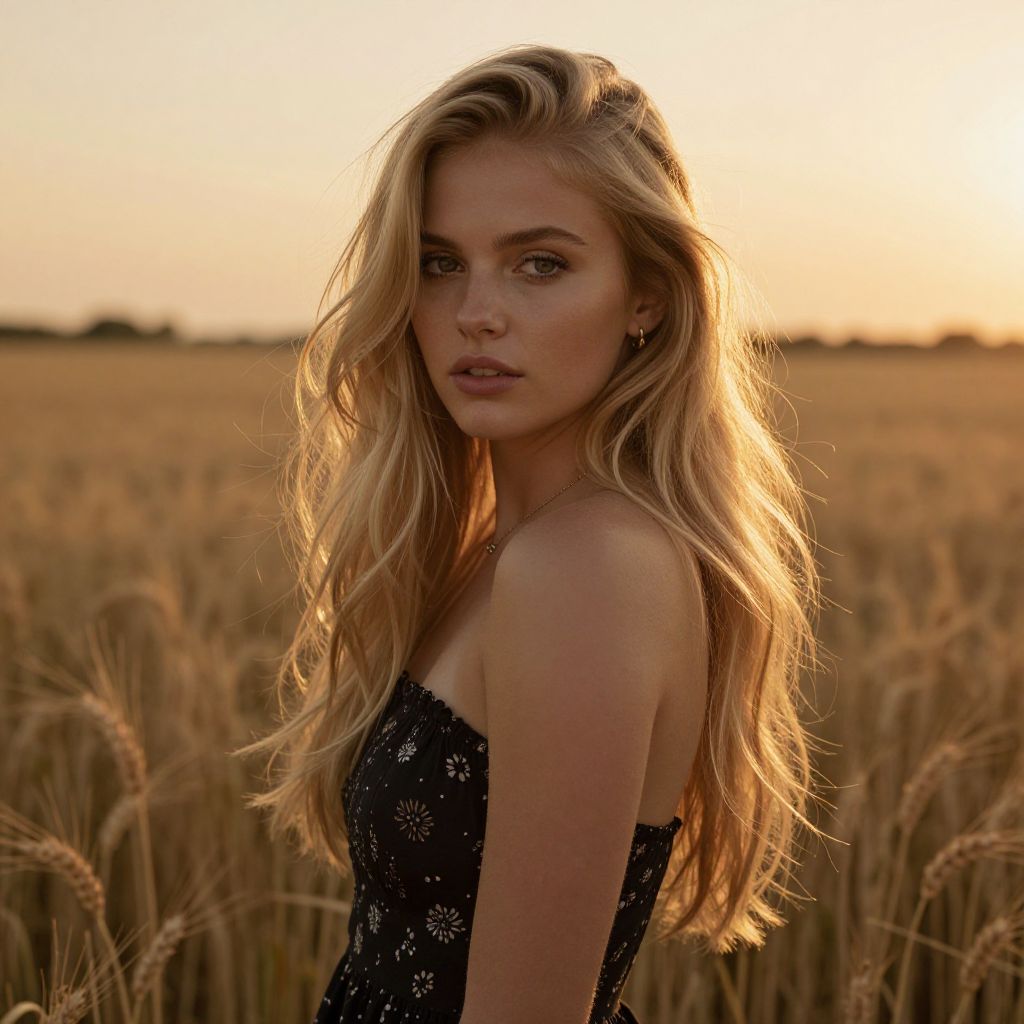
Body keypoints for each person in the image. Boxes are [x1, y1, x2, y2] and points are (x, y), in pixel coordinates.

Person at [235, 42, 826, 1024]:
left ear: (646, 296)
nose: (474, 314)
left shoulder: (584, 568)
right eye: (437, 265)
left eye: (539, 264)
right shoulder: (496, 553)